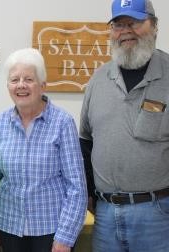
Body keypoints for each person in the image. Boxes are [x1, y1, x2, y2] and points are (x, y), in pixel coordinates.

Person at [80, 0, 169, 251]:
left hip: (158, 214)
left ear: (155, 26)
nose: (126, 30)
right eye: (118, 24)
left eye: (135, 22)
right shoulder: (98, 79)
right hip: (105, 215)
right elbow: (86, 142)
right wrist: (88, 193)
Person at [0, 48, 87, 252]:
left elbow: (76, 187)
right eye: (14, 80)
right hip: (8, 225)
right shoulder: (2, 121)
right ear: (8, 86)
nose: (21, 85)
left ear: (42, 86)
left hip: (51, 229)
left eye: (28, 79)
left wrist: (65, 237)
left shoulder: (62, 122)